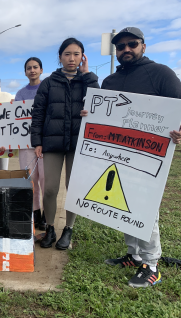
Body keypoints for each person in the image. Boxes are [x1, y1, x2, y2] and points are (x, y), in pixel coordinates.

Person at [81, 27, 181, 288]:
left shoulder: (161, 74)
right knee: (122, 204)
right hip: (117, 153)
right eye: (121, 46)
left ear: (143, 46)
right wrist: (89, 115)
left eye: (132, 44)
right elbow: (104, 113)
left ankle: (152, 264)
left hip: (149, 154)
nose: (126, 49)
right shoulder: (110, 82)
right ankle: (134, 255)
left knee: (146, 206)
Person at [31, 38, 99, 250]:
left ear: (83, 57)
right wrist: (37, 141)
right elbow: (38, 113)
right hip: (52, 143)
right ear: (60, 57)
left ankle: (68, 228)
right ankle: (50, 227)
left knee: (74, 188)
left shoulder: (86, 80)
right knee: (50, 188)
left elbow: (100, 102)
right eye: (67, 54)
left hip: (78, 143)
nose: (72, 58)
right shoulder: (49, 83)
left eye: (77, 54)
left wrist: (88, 75)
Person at [15, 57, 46, 230]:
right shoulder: (20, 94)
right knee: (30, 181)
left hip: (45, 143)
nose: (32, 70)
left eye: (35, 67)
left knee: (45, 181)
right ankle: (36, 214)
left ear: (41, 70)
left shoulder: (48, 88)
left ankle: (47, 216)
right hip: (26, 144)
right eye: (29, 68)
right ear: (25, 72)